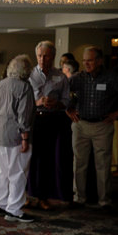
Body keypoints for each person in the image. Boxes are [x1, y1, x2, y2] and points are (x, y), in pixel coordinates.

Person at [67, 46, 118, 209]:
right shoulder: (77, 78)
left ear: (99, 61)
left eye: (89, 60)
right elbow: (62, 94)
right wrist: (67, 109)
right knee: (79, 163)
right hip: (80, 125)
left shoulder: (111, 78)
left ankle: (104, 200)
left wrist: (117, 113)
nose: (86, 64)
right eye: (84, 60)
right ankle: (79, 197)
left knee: (103, 165)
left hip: (102, 126)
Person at [27, 40, 72, 210]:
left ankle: (44, 196)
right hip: (34, 120)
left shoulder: (60, 77)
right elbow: (24, 100)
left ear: (52, 57)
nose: (42, 59)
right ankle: (28, 195)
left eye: (45, 56)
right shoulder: (30, 75)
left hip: (53, 121)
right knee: (32, 159)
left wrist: (58, 103)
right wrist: (37, 101)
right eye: (39, 56)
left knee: (48, 161)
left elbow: (67, 100)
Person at [0, 55, 36, 222]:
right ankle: (14, 209)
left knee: (2, 170)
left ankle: (0, 204)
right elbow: (23, 116)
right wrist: (25, 137)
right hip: (16, 136)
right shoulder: (25, 87)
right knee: (17, 172)